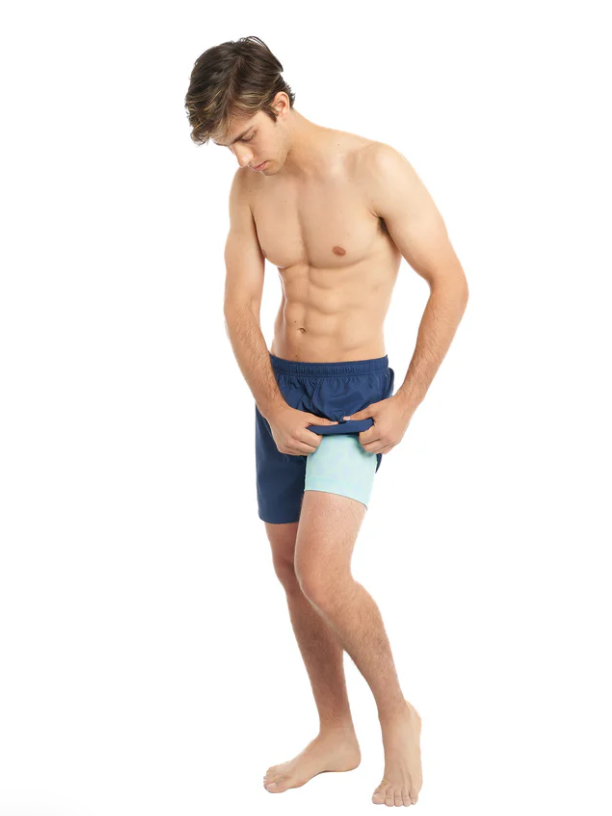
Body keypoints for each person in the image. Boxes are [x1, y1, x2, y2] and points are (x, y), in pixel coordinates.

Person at [185, 35, 469, 807]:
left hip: (352, 395)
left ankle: (396, 714)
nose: (242, 158)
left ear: (281, 103)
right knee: (288, 570)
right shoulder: (248, 190)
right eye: (227, 146)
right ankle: (335, 733)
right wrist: (271, 404)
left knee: (322, 572)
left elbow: (449, 282)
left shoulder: (374, 167)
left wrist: (406, 401)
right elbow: (238, 306)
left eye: (247, 136)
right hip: (280, 391)